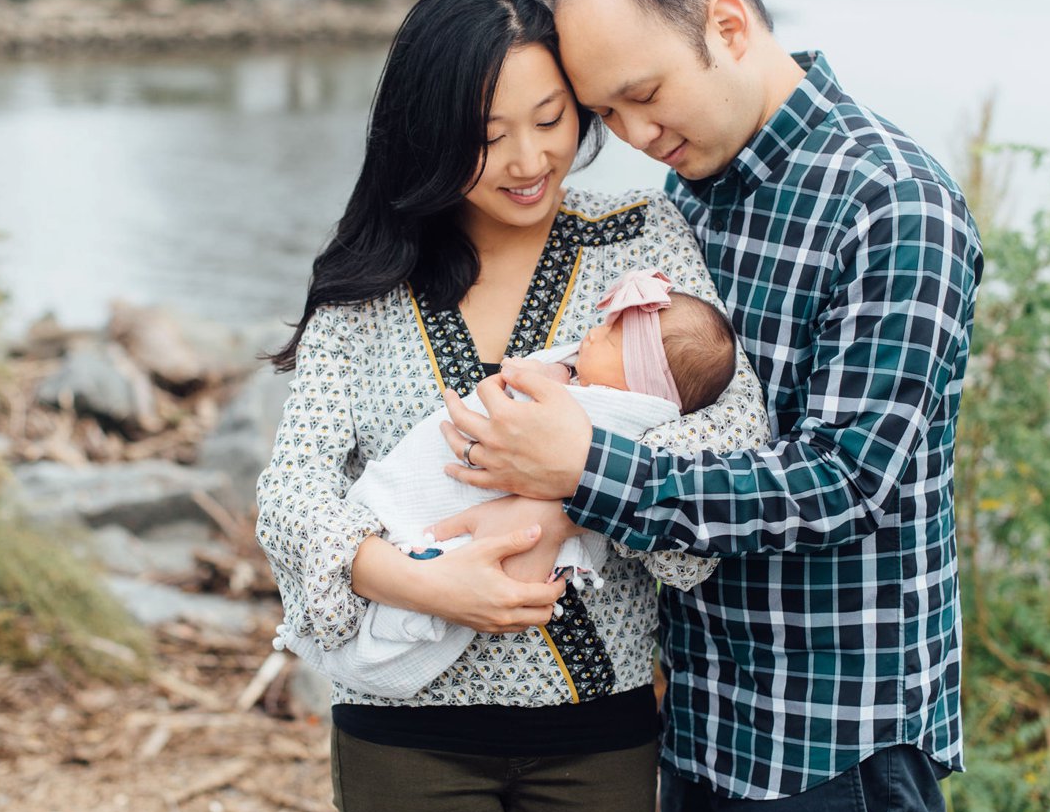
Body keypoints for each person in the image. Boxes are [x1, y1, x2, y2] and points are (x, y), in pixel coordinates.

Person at [433, 0, 986, 812]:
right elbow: (660, 425)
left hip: (832, 744)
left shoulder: (892, 204)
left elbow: (846, 479)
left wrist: (587, 468)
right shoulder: (692, 200)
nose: (637, 135)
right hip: (705, 724)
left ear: (728, 25)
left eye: (643, 94)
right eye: (608, 111)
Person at [254, 0, 768, 812]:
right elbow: (290, 498)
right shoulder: (369, 287)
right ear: (428, 133)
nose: (531, 158)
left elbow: (728, 463)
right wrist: (419, 581)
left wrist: (578, 466)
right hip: (405, 740)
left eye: (550, 117)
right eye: (487, 138)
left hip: (597, 737)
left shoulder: (641, 245)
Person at [277, 270, 740, 700]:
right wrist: (417, 584)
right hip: (396, 735)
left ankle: (398, 628)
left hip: (591, 718)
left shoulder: (626, 411)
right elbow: (290, 493)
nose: (593, 333)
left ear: (638, 383)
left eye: (612, 338)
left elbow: (703, 515)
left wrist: (564, 505)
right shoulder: (360, 291)